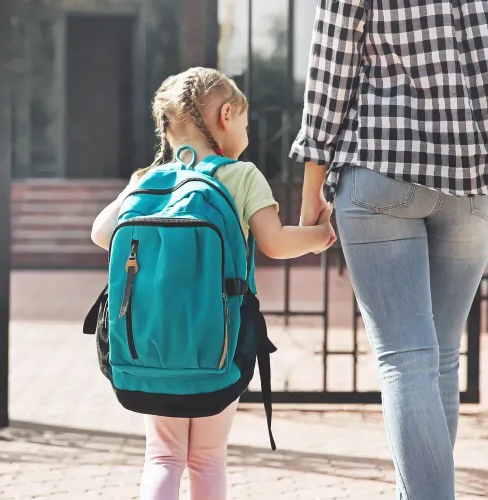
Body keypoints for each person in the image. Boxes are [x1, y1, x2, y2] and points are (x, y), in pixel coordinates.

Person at [290, 1, 488, 499]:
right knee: (441, 358)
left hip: (383, 167)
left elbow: (331, 67)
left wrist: (311, 187)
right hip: (478, 182)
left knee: (407, 358)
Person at [90, 67, 335, 500]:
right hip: (217, 345)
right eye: (243, 119)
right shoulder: (241, 176)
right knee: (206, 458)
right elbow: (275, 244)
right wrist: (319, 237)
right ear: (226, 115)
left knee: (162, 458)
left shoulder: (147, 181)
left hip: (147, 349)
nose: (245, 129)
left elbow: (100, 233)